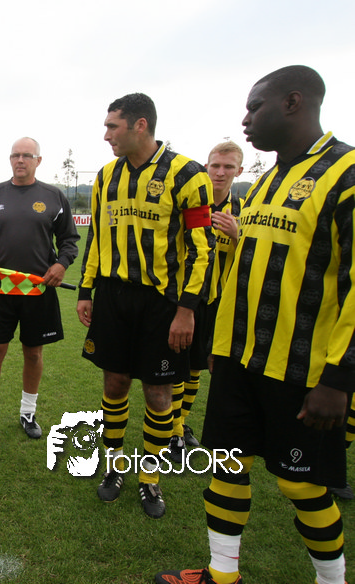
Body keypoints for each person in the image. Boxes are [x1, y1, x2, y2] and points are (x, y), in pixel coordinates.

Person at [156, 65, 354, 584]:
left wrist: (339, 378)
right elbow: (245, 271)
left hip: (303, 369)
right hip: (240, 359)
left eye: (254, 107)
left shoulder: (346, 173)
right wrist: (222, 346)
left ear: (293, 102)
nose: (245, 119)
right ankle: (222, 574)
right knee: (225, 463)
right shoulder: (266, 180)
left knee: (302, 486)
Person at [76, 93, 214, 519]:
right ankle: (115, 465)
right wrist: (86, 290)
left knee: (158, 392)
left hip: (162, 303)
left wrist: (186, 310)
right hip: (113, 297)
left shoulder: (187, 173)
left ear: (140, 125)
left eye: (112, 126)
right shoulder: (106, 176)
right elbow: (97, 237)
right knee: (115, 383)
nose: (106, 135)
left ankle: (150, 476)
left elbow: (202, 248)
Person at [0, 137, 79, 444]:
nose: (20, 160)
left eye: (27, 155)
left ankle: (28, 413)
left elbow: (69, 240)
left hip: (38, 291)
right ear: (10, 159)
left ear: (38, 161)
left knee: (33, 353)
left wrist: (61, 264)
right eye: (15, 155)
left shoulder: (54, 196)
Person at [167, 141, 244, 462]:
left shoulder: (244, 211)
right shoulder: (191, 203)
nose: (220, 172)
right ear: (206, 167)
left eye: (228, 167)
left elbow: (255, 260)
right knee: (177, 366)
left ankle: (181, 423)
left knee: (197, 367)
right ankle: (173, 429)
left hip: (218, 302)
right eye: (215, 165)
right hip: (185, 300)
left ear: (239, 170)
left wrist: (238, 236)